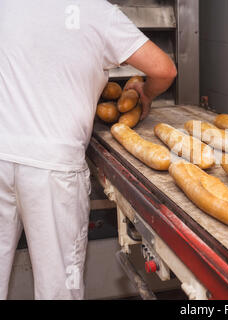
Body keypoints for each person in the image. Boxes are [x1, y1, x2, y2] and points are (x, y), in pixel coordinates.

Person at [0, 0, 177, 299]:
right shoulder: (96, 11)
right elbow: (164, 69)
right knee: (59, 288)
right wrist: (145, 93)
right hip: (53, 168)